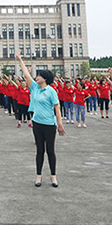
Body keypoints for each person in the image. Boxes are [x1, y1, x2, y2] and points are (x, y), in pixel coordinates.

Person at [16, 51, 65, 187]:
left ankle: (53, 177)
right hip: (37, 124)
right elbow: (26, 74)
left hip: (50, 124)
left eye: (39, 76)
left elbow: (57, 108)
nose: (36, 77)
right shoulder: (35, 88)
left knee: (50, 151)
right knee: (39, 151)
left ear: (45, 78)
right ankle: (38, 177)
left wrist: (59, 124)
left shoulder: (51, 91)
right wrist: (20, 60)